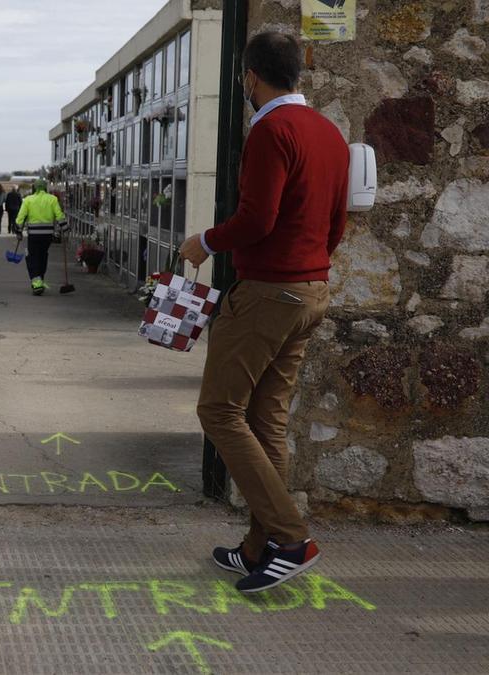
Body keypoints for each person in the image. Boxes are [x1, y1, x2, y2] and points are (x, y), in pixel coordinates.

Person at [180, 32, 348, 593]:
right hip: (312, 290)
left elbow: (257, 219)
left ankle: (292, 537)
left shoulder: (271, 130)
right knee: (265, 419)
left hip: (269, 293)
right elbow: (336, 223)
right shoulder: (328, 132)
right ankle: (260, 546)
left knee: (220, 411)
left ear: (251, 77)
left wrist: (204, 240)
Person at [14, 179, 66, 295]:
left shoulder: (28, 200)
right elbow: (59, 215)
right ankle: (40, 278)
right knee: (43, 256)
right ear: (45, 188)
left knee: (32, 257)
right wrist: (65, 227)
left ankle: (37, 282)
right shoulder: (52, 199)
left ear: (34, 188)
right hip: (47, 235)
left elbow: (20, 217)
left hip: (34, 235)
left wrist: (18, 231)